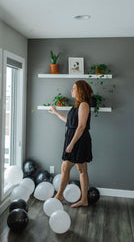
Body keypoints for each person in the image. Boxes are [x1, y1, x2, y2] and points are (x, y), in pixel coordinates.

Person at [48, 80, 93, 208]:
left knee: (72, 168)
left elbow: (81, 127)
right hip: (73, 138)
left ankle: (61, 195)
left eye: (74, 88)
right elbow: (70, 122)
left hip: (79, 140)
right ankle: (79, 199)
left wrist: (72, 143)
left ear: (80, 90)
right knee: (77, 169)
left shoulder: (84, 105)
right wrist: (56, 112)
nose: (71, 90)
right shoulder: (77, 105)